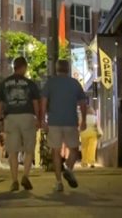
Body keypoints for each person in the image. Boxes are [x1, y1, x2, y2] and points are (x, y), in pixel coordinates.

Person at [0, 56, 41, 192]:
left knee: (13, 151)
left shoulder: (4, 83)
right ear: (24, 67)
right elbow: (35, 103)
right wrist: (38, 118)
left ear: (14, 67)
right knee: (29, 149)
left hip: (11, 118)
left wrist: (0, 120)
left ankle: (14, 180)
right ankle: (25, 176)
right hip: (27, 116)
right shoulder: (30, 83)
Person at [42, 59, 87, 192]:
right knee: (74, 149)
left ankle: (58, 182)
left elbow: (43, 102)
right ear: (68, 69)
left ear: (56, 69)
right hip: (70, 122)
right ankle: (68, 168)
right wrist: (83, 120)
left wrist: (42, 119)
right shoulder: (74, 83)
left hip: (54, 122)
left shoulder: (50, 83)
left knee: (55, 151)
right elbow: (83, 103)